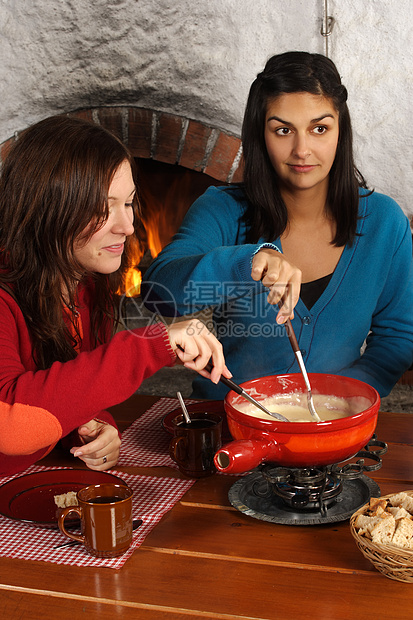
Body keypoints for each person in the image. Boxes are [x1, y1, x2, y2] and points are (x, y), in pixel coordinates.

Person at [142, 51, 413, 400]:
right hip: (230, 421)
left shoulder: (384, 223)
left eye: (319, 128)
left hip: (333, 423)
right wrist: (247, 262)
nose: (302, 149)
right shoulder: (223, 210)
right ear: (260, 134)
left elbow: (398, 336)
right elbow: (158, 294)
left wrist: (340, 398)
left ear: (340, 130)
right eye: (283, 130)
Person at [0, 115, 230, 476]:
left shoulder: (85, 284)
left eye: (128, 203)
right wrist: (151, 345)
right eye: (102, 208)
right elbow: (11, 427)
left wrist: (93, 427)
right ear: (48, 211)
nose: (127, 226)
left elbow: (69, 383)